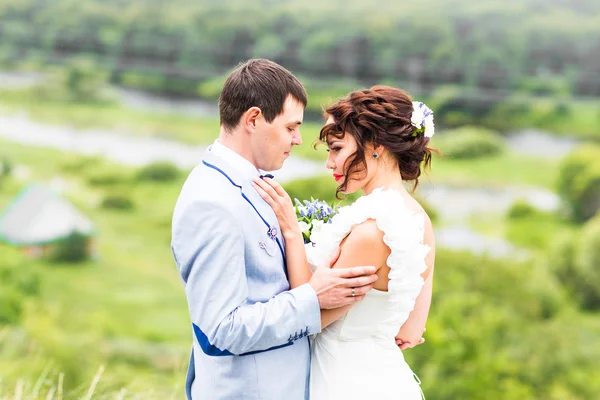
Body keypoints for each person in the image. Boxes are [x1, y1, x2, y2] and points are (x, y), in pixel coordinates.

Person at [170, 58, 380, 400]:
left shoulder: (252, 185)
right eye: (290, 127)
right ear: (253, 119)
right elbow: (222, 329)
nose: (298, 140)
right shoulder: (212, 203)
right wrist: (313, 298)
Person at [253, 85, 436, 399]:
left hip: (343, 382)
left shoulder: (371, 231)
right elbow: (410, 332)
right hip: (385, 377)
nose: (329, 163)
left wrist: (292, 232)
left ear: (375, 146)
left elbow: (309, 316)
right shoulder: (418, 218)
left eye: (337, 148)